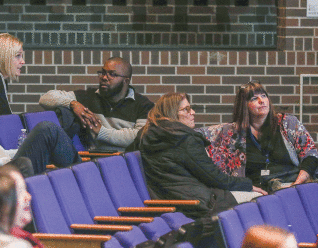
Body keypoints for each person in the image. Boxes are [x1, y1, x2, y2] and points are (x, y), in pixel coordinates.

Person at [127, 92, 266, 219]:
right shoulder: (184, 139)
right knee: (261, 200)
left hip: (167, 202)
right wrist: (248, 185)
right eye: (186, 109)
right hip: (198, 205)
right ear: (172, 114)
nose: (193, 112)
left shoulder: (144, 136)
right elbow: (215, 178)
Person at [198, 81, 318, 192]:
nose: (262, 101)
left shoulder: (288, 123)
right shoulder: (232, 132)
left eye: (264, 96)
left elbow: (311, 154)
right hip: (256, 191)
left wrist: (298, 183)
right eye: (254, 98)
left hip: (292, 185)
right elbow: (196, 134)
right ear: (244, 106)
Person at [39, 57, 154, 152]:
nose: (104, 77)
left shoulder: (143, 105)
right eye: (103, 73)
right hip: (92, 159)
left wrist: (101, 132)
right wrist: (72, 103)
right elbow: (45, 98)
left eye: (112, 74)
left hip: (126, 160)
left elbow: (140, 136)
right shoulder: (89, 97)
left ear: (126, 81)